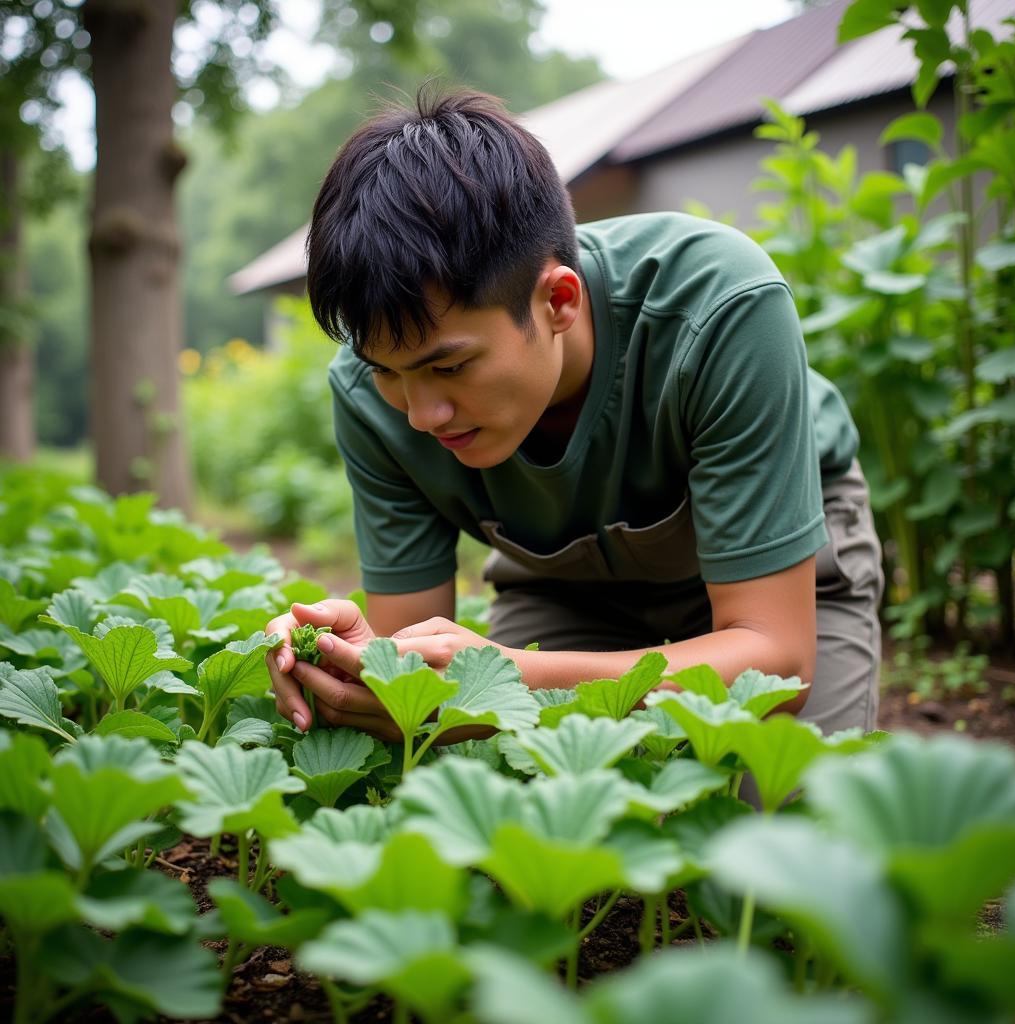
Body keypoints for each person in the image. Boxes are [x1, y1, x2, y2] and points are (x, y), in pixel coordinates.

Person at [266, 87, 883, 745]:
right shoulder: (368, 399)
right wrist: (347, 662)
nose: (420, 414)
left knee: (783, 817)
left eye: (448, 368)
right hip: (565, 590)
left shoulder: (719, 304)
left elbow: (774, 659)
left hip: (785, 569)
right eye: (386, 369)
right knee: (528, 818)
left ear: (558, 301)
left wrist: (510, 679)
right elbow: (408, 677)